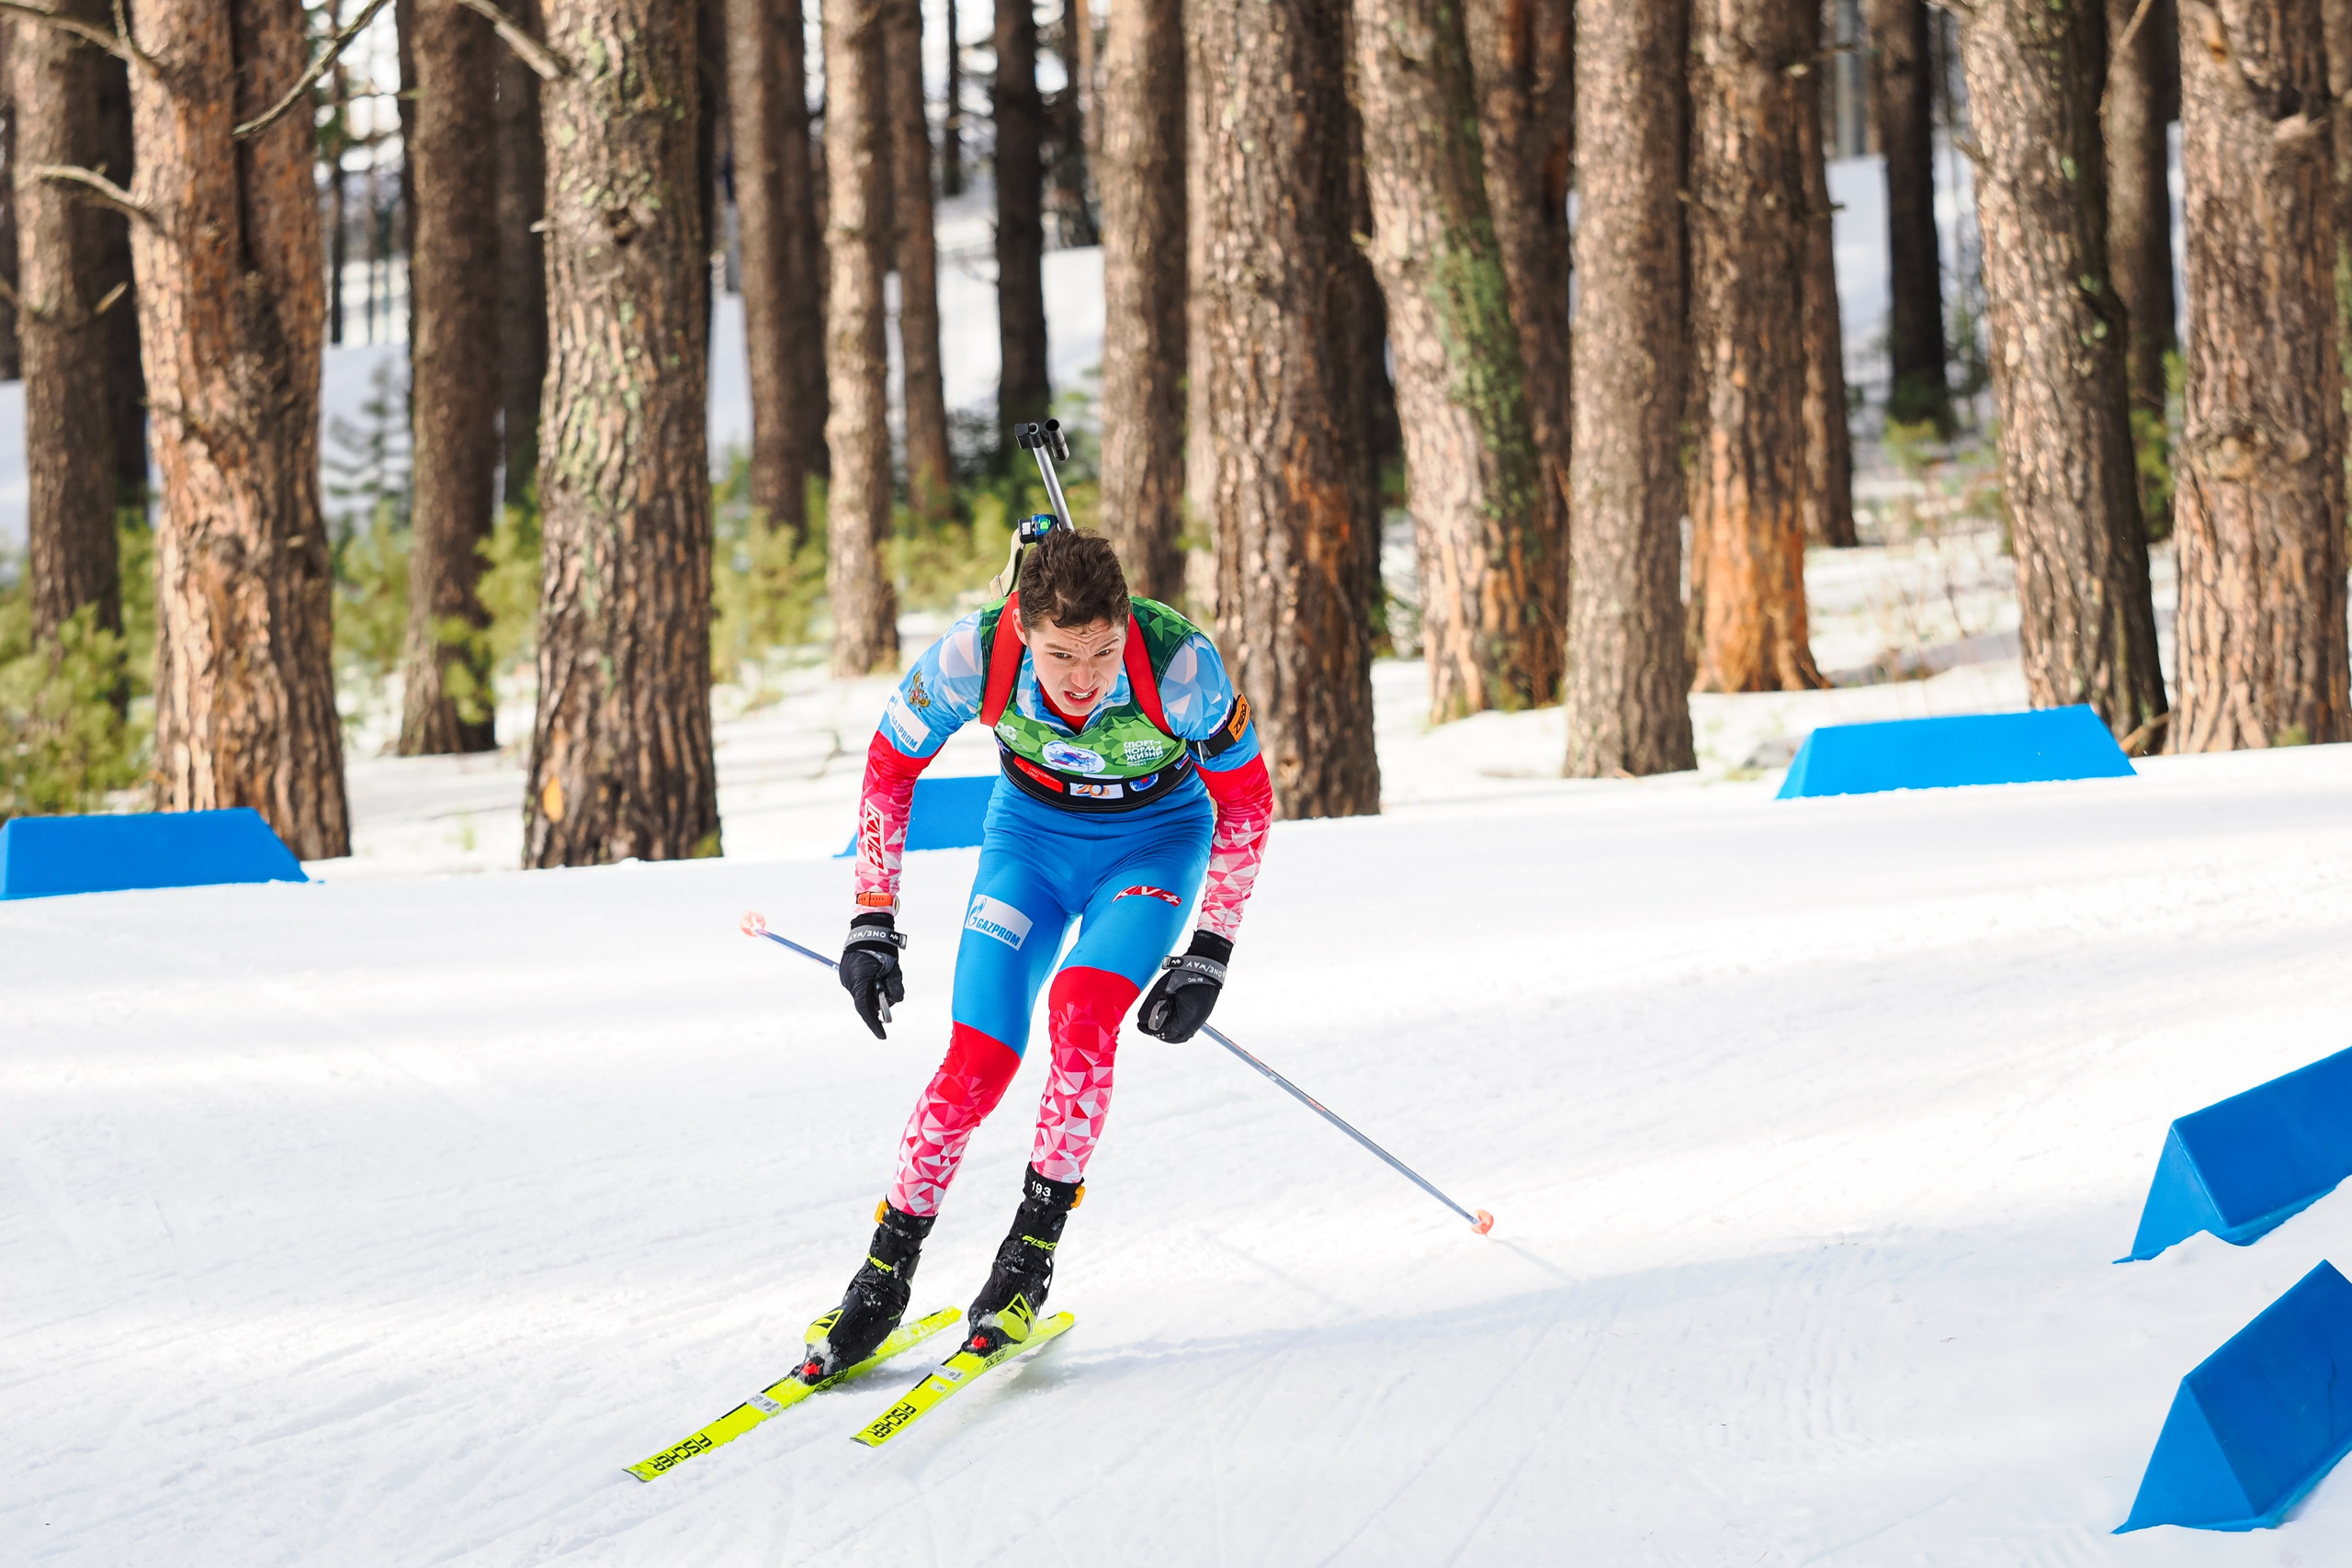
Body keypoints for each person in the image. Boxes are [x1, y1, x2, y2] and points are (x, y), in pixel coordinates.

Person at [797, 525, 1274, 1376]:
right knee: (976, 1058)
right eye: (1060, 656)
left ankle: (1026, 1258)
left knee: (1081, 1011)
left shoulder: (1181, 666)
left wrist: (1211, 946)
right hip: (1028, 842)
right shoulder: (972, 656)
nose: (1084, 680)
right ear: (1023, 628)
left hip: (1152, 846)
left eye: (1101, 651)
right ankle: (884, 1270)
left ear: (1126, 623)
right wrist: (873, 914)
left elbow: (1247, 799)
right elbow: (888, 764)